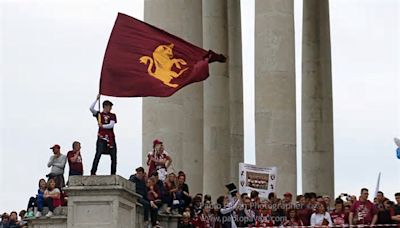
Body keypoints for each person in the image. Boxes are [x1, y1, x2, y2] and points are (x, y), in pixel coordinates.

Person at [89, 94, 117, 175]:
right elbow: (91, 108)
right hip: (101, 138)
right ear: (105, 106)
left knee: (114, 157)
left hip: (110, 138)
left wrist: (103, 126)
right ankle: (93, 172)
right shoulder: (99, 115)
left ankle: (113, 173)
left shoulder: (112, 115)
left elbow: (111, 125)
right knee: (98, 155)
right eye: (109, 107)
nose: (110, 108)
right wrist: (96, 99)